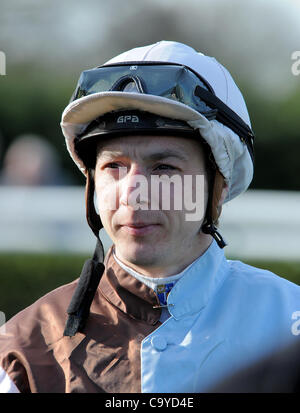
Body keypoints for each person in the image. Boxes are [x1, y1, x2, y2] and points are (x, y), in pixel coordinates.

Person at [0, 41, 299, 393]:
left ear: (218, 185)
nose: (132, 194)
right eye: (114, 166)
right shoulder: (23, 347)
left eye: (163, 168)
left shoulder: (288, 322)